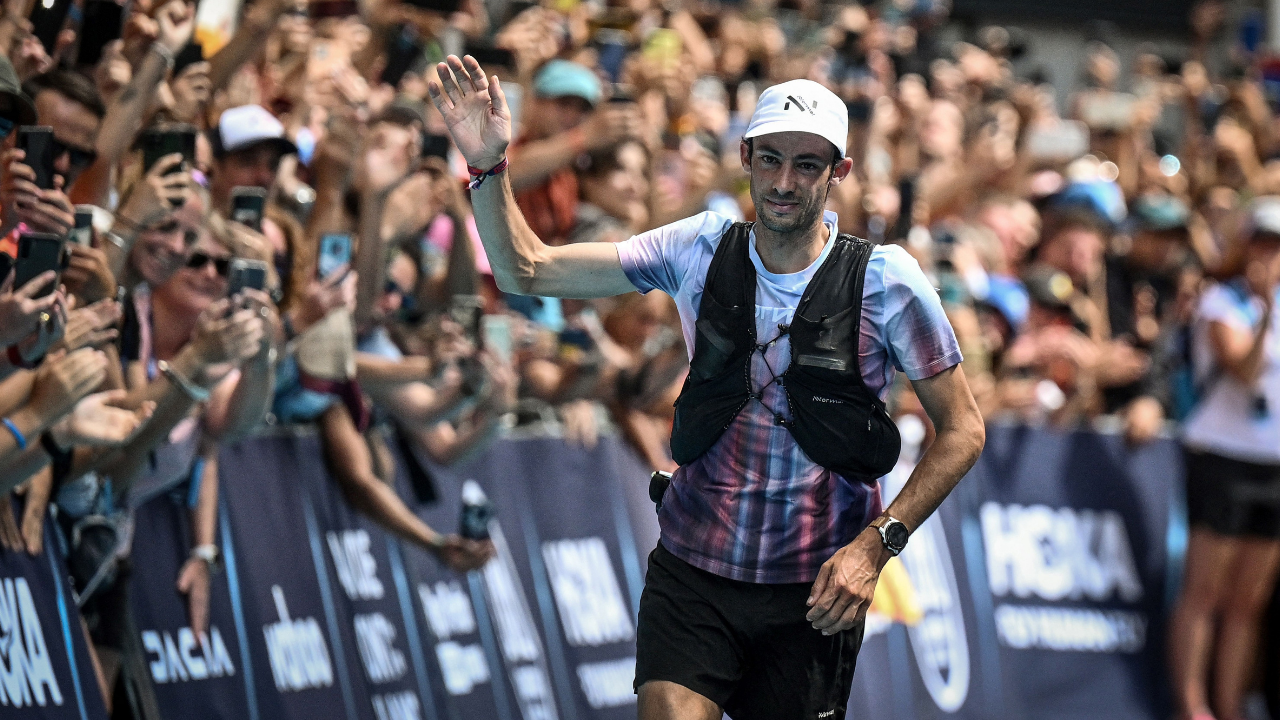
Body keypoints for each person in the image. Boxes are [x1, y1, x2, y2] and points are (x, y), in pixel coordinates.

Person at [429, 54, 985, 720]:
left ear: (838, 173)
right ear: (745, 157)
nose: (784, 182)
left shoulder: (887, 281)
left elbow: (963, 430)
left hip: (810, 593)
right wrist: (489, 167)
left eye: (808, 165)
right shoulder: (697, 247)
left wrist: (877, 546)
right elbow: (525, 271)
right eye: (771, 159)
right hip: (693, 573)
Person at [1170, 197, 1280, 720]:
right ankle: (1194, 706)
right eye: (1264, 242)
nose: (1271, 255)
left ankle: (1230, 706)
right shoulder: (1223, 303)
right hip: (1222, 457)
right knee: (1205, 591)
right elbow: (1245, 371)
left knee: (1247, 602)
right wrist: (1265, 310)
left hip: (1272, 463)